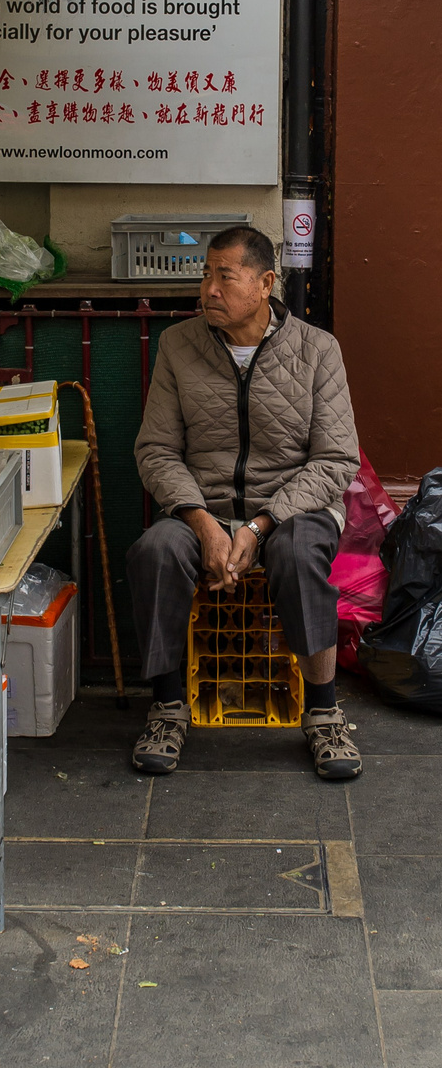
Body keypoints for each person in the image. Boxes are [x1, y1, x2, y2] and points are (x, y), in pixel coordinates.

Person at [126, 226, 362, 780]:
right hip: (200, 506)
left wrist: (260, 524)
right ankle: (167, 706)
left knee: (300, 553)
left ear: (264, 283)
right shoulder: (178, 346)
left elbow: (335, 460)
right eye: (205, 275)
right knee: (154, 551)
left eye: (223, 276)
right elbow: (157, 450)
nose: (208, 289)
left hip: (292, 508)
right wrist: (204, 523)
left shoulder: (317, 350)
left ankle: (324, 712)